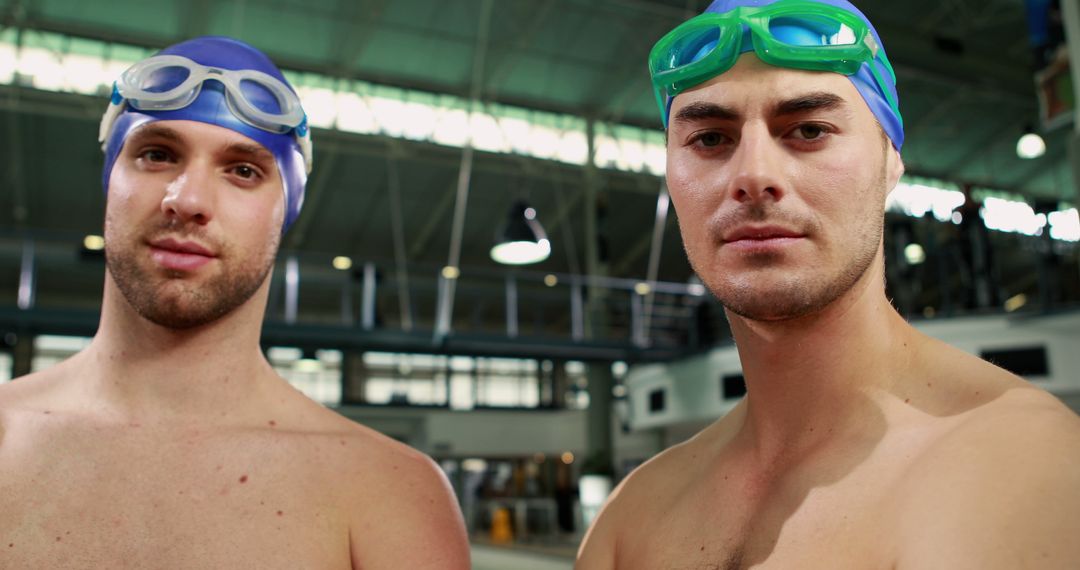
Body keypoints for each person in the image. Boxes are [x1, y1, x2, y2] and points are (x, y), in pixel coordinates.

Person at [577, 1, 1080, 568]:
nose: (754, 177)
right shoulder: (634, 514)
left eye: (809, 129)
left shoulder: (1018, 472)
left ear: (891, 160)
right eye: (710, 140)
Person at [0, 36, 469, 569]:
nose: (189, 201)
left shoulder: (390, 494)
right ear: (111, 179)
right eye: (156, 154)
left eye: (243, 170)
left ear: (284, 212)